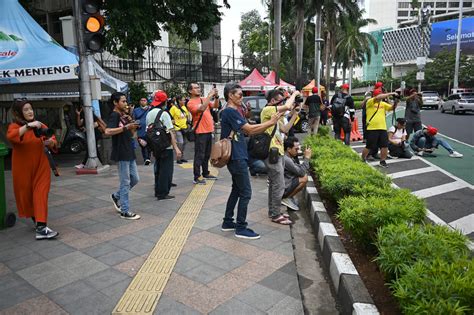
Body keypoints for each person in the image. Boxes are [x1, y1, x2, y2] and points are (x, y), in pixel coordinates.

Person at [220, 83, 282, 239]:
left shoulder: (235, 111)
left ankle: (227, 221)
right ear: (230, 96)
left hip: (238, 155)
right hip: (236, 157)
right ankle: (241, 227)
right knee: (246, 192)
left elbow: (249, 127)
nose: (242, 97)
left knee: (236, 189)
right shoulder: (230, 112)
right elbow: (250, 130)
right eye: (240, 95)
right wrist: (271, 122)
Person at [7, 99, 59, 239]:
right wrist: (29, 126)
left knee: (41, 194)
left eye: (31, 109)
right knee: (27, 197)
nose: (30, 112)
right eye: (26, 110)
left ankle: (41, 227)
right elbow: (12, 136)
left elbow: (53, 138)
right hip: (23, 169)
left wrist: (51, 142)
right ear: (19, 113)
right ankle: (38, 221)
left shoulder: (40, 125)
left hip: (41, 167)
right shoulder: (15, 127)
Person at [261, 89, 301, 225]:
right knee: (279, 185)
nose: (283, 103)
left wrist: (295, 114)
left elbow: (285, 129)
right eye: (281, 101)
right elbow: (288, 106)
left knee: (274, 184)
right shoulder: (267, 110)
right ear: (273, 101)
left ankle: (273, 211)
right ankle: (276, 214)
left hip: (278, 152)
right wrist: (294, 94)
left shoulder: (275, 116)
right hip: (272, 153)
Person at [105, 92, 141, 220]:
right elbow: (108, 131)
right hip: (121, 152)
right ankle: (125, 211)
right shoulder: (114, 115)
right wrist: (126, 127)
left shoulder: (124, 115)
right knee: (125, 182)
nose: (126, 104)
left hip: (129, 151)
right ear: (115, 102)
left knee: (135, 179)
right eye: (123, 101)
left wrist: (132, 125)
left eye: (126, 101)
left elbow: (132, 134)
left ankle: (116, 196)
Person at [146, 90, 182, 200]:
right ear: (165, 102)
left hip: (155, 146)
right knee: (166, 170)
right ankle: (163, 193)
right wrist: (176, 148)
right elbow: (171, 131)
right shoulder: (164, 114)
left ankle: (158, 191)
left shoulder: (149, 113)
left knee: (159, 169)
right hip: (166, 146)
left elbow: (148, 131)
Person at [187, 82, 220, 184]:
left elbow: (215, 105)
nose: (198, 89)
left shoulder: (202, 99)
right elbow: (201, 109)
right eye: (195, 88)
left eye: (198, 87)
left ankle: (205, 172)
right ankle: (197, 177)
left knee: (206, 154)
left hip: (209, 130)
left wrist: (216, 97)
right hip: (200, 132)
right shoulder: (190, 103)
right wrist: (209, 96)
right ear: (190, 91)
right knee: (199, 155)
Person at [361, 89, 399, 167]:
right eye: (380, 94)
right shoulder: (370, 101)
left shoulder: (383, 104)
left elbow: (392, 108)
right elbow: (378, 97)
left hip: (382, 128)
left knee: (384, 145)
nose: (382, 96)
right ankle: (363, 158)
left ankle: (383, 161)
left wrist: (396, 101)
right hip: (372, 128)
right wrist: (390, 93)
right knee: (369, 145)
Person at [282, 136, 311, 211]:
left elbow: (299, 168)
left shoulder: (288, 156)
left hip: (284, 184)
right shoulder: (287, 159)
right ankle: (286, 198)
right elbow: (301, 172)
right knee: (304, 178)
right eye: (296, 149)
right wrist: (307, 158)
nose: (298, 151)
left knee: (303, 176)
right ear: (288, 149)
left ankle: (289, 197)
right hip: (283, 188)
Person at [169, 96, 190, 164]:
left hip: (185, 128)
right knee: (180, 143)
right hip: (178, 128)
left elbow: (187, 116)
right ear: (179, 101)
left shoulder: (184, 107)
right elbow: (170, 116)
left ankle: (182, 157)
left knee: (184, 143)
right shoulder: (173, 108)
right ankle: (178, 158)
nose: (184, 101)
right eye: (183, 100)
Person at [133, 97, 151, 165]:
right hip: (140, 131)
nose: (143, 101)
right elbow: (134, 119)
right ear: (139, 102)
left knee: (149, 145)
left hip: (149, 130)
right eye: (141, 100)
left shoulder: (150, 109)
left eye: (144, 100)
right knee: (143, 145)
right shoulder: (136, 110)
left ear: (147, 101)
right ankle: (145, 158)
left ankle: (148, 158)